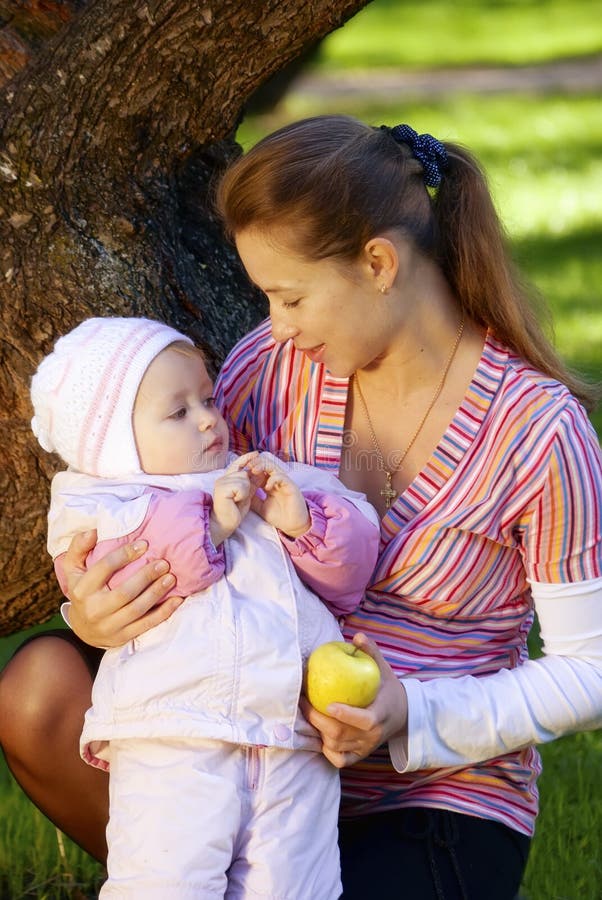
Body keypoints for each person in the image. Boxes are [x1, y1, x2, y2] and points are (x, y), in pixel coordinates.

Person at [1, 115, 601, 899]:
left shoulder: (538, 432)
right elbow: (176, 524)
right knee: (40, 687)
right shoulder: (269, 371)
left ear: (378, 264)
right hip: (234, 746)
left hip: (425, 796)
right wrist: (98, 618)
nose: (275, 325)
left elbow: (590, 672)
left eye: (291, 297)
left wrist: (405, 714)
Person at [27, 315, 380, 898]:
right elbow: (124, 562)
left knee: (297, 886)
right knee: (166, 878)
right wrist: (211, 523)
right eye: (179, 411)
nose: (209, 418)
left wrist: (302, 522)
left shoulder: (257, 477)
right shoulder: (102, 503)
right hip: (175, 736)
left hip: (290, 737)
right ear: (115, 441)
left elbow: (353, 571)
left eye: (208, 398)